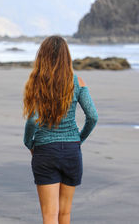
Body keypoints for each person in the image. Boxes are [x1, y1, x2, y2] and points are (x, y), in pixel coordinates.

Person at [22, 35, 98, 224]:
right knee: (64, 214)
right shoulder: (78, 82)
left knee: (49, 215)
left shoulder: (37, 81)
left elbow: (32, 120)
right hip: (72, 151)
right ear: (67, 56)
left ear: (43, 56)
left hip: (45, 151)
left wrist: (28, 142)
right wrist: (79, 139)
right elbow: (93, 116)